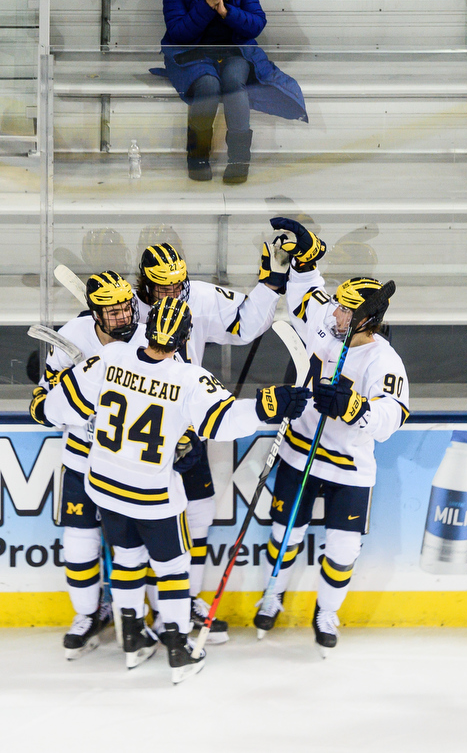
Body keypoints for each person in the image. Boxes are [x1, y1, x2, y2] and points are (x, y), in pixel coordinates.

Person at [38, 297, 309, 683]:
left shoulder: (111, 356)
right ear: (183, 339)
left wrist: (43, 401)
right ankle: (178, 647)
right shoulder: (188, 379)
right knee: (172, 570)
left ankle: (132, 641)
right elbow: (224, 423)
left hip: (104, 487)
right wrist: (270, 406)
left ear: (148, 330)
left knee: (127, 562)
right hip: (153, 498)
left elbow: (59, 409)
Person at [252, 217, 410, 653]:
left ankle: (327, 611)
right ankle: (273, 593)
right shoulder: (328, 319)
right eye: (337, 306)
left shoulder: (384, 362)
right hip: (299, 453)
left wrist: (356, 409)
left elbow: (391, 417)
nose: (334, 312)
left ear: (365, 321)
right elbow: (306, 291)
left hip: (349, 467)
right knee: (284, 535)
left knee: (342, 550)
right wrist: (305, 255)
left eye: (344, 310)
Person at [134, 241, 285, 638]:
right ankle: (159, 613)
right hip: (145, 438)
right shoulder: (127, 313)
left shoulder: (195, 296)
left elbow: (246, 324)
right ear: (145, 286)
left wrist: (269, 284)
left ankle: (189, 605)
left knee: (199, 518)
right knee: (151, 526)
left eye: (178, 285)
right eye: (164, 289)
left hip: (189, 430)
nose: (174, 294)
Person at [29, 271, 144, 659]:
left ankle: (137, 620)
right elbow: (45, 402)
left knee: (131, 548)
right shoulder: (72, 337)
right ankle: (86, 615)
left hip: (128, 465)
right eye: (112, 311)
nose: (123, 316)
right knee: (79, 543)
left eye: (126, 306)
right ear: (95, 312)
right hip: (80, 458)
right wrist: (78, 413)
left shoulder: (148, 334)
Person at [153, 0, 307, 184]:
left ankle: (239, 158)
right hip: (193, 52)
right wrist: (206, 5)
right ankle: (198, 155)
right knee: (208, 84)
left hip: (235, 50)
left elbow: (257, 22)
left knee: (234, 83)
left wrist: (225, 11)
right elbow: (178, 32)